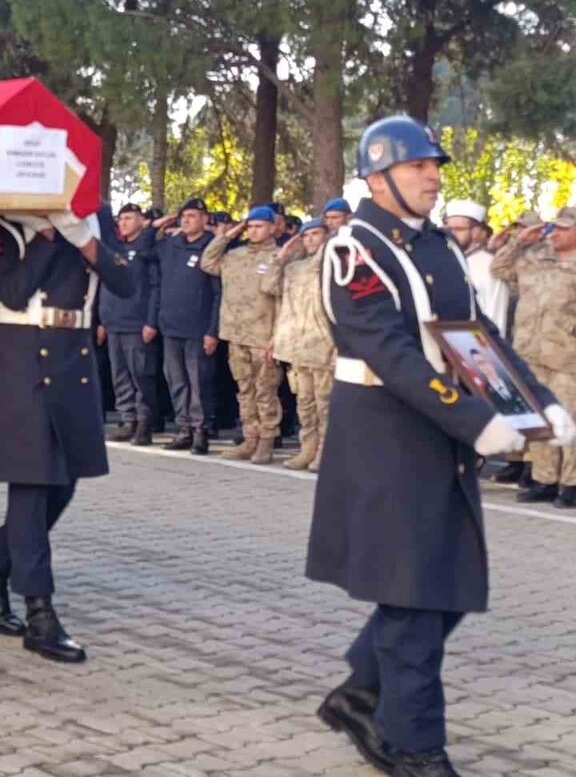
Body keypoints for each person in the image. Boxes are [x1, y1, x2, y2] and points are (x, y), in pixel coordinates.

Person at [308, 115, 574, 777]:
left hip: (436, 432)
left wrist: (533, 401)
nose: (433, 176)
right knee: (415, 595)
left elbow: (473, 336)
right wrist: (477, 421)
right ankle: (414, 744)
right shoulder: (354, 249)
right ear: (378, 175)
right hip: (385, 434)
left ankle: (362, 691)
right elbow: (391, 353)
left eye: (435, 165)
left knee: (444, 580)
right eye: (418, 165)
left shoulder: (436, 246)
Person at [0, 203, 132, 665]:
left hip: (73, 355)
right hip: (24, 353)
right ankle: (40, 612)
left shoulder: (93, 215)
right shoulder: (5, 219)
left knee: (64, 484)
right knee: (32, 486)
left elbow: (126, 282)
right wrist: (47, 238)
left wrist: (85, 240)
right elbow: (9, 291)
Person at [491, 207, 576, 505]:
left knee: (570, 421)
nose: (556, 233)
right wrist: (520, 241)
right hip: (530, 354)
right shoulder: (535, 261)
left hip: (567, 359)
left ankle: (571, 484)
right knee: (539, 420)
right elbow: (498, 269)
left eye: (564, 229)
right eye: (555, 228)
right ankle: (544, 479)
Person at [202, 206, 283, 463]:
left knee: (265, 391)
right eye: (250, 226)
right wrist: (228, 234)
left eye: (260, 226)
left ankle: (267, 440)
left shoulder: (279, 257)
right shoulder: (234, 256)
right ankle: (250, 438)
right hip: (236, 334)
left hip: (263, 336)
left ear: (272, 227)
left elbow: (284, 300)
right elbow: (207, 261)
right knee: (244, 389)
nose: (254, 230)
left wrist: (278, 337)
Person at [261, 218, 333, 471]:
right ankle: (308, 449)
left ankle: (325, 452)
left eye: (316, 234)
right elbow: (269, 285)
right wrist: (281, 257)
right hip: (298, 346)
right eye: (306, 235)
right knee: (305, 404)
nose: (311, 239)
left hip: (324, 346)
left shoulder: (330, 266)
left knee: (325, 405)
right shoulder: (295, 269)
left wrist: (330, 243)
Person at [155, 199, 221, 453]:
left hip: (198, 327)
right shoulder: (171, 245)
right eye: (183, 216)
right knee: (176, 380)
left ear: (205, 219)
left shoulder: (211, 247)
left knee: (199, 382)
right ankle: (183, 428)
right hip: (171, 325)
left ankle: (200, 431)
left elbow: (217, 294)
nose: (186, 220)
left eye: (193, 216)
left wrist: (212, 330)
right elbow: (146, 243)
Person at [97, 203, 160, 445]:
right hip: (114, 321)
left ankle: (144, 422)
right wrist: (102, 320)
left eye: (129, 218)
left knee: (141, 375)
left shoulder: (146, 251)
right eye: (121, 218)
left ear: (142, 221)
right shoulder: (113, 249)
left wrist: (151, 321)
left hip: (137, 322)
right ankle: (127, 419)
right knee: (119, 375)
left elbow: (154, 288)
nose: (123, 222)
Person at [443, 200, 509, 334]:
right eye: (448, 229)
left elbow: (496, 316)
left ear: (477, 232)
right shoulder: (442, 260)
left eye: (458, 229)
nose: (451, 234)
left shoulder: (491, 266)